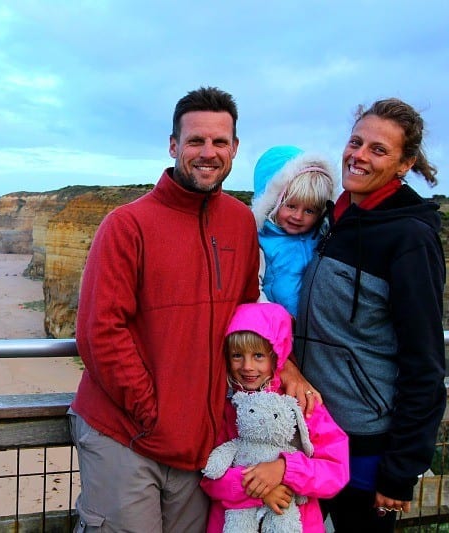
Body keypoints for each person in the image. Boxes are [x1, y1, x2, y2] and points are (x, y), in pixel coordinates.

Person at [68, 86, 319, 532]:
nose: (208, 152)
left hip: (202, 444)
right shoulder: (127, 225)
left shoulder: (240, 222)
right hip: (125, 436)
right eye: (196, 141)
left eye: (220, 142)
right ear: (173, 145)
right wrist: (154, 414)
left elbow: (251, 320)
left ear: (235, 149)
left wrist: (288, 367)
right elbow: (100, 332)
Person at [295, 97, 446, 531]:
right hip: (310, 432)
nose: (359, 155)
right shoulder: (337, 216)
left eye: (378, 150)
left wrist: (400, 470)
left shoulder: (409, 239)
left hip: (365, 445)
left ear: (405, 164)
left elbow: (425, 364)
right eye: (356, 142)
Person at [201, 302, 349, 532]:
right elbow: (209, 476)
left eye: (258, 355)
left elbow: (335, 470)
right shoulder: (225, 408)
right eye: (237, 355)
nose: (247, 366)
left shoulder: (301, 402)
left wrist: (284, 469)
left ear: (277, 355)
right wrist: (260, 489)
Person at [251, 145, 338, 317]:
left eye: (309, 210)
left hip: (312, 328)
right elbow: (253, 288)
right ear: (272, 201)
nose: (298, 216)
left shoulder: (322, 238)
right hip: (278, 327)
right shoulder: (261, 242)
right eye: (291, 206)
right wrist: (274, 318)